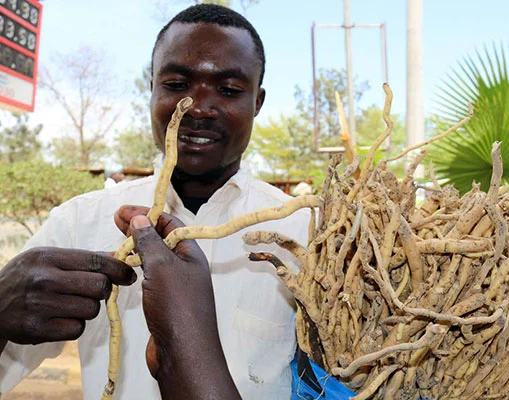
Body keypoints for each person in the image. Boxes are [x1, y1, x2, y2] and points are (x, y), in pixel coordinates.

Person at [0, 4, 310, 399]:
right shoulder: (77, 224)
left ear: (257, 102)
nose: (197, 107)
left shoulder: (304, 234)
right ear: (152, 89)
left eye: (229, 90)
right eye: (177, 84)